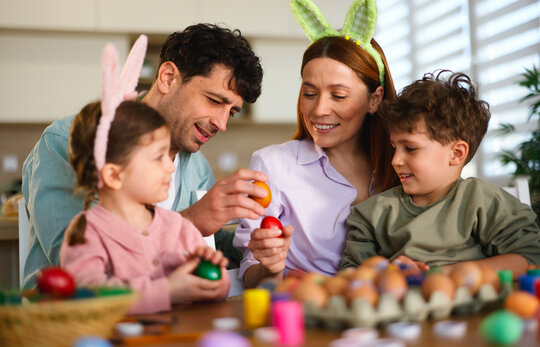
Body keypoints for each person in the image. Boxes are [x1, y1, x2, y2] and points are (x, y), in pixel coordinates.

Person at [21, 23, 265, 289]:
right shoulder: (71, 141)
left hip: (166, 322)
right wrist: (192, 220)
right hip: (74, 324)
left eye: (231, 111)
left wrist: (253, 247)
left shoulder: (197, 167)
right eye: (214, 101)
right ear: (168, 78)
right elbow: (76, 268)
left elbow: (205, 243)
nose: (222, 123)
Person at [233, 0, 399, 288]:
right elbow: (251, 273)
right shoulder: (273, 165)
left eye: (338, 95)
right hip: (310, 319)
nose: (319, 109)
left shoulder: (401, 166)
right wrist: (271, 268)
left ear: (375, 99)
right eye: (310, 93)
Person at [340, 70, 540, 277]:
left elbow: (530, 259)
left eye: (410, 148)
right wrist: (387, 273)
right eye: (394, 148)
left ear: (456, 153)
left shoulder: (483, 201)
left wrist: (440, 273)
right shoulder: (372, 214)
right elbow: (350, 277)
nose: (395, 160)